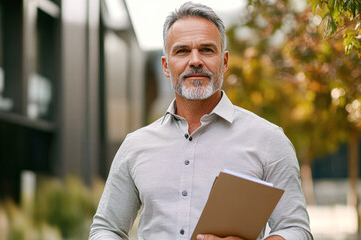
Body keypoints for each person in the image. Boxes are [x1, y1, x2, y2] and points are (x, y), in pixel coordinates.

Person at [89, 2, 313, 240]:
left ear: (224, 62)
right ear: (166, 66)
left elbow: (296, 230)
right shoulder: (135, 146)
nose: (195, 60)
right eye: (182, 51)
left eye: (206, 50)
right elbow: (106, 229)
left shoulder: (269, 140)